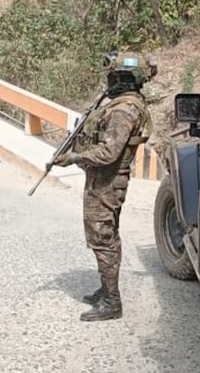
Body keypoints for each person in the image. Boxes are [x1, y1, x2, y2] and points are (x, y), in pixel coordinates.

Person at [53, 51, 155, 322]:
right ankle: (106, 288)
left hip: (107, 182)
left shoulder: (123, 110)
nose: (108, 81)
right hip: (103, 180)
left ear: (121, 77)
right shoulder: (121, 103)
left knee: (102, 238)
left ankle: (112, 301)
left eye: (112, 75)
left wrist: (73, 157)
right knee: (107, 235)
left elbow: (109, 153)